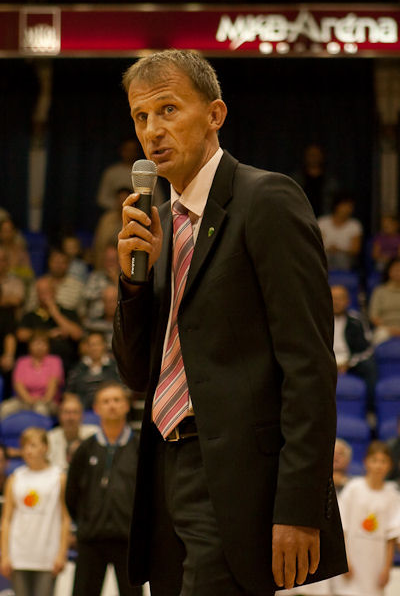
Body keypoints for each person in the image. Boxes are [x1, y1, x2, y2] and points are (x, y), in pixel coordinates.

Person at [113, 50, 347, 596]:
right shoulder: (158, 224)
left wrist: (299, 507)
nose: (153, 130)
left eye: (168, 109)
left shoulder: (267, 199)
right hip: (163, 471)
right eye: (141, 117)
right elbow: (135, 373)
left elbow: (309, 366)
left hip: (238, 483)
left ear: (215, 114)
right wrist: (131, 284)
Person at [66, 381, 141, 596]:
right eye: (106, 401)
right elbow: (71, 494)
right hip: (91, 540)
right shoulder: (85, 449)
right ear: (96, 408)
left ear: (126, 405)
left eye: (117, 400)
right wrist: (85, 522)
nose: (112, 405)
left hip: (129, 541)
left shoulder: (139, 447)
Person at [0, 427, 70, 596]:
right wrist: (5, 555)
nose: (27, 451)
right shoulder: (15, 478)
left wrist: (62, 553)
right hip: (19, 555)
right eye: (24, 446)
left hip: (47, 556)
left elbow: (65, 518)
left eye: (32, 445)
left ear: (45, 448)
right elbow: (7, 519)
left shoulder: (58, 478)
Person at [334, 441, 400, 596]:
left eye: (383, 461)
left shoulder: (393, 495)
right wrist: (344, 561)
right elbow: (342, 528)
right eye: (374, 460)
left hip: (375, 566)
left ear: (390, 465)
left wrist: (386, 568)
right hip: (352, 562)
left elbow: (391, 536)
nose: (378, 466)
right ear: (366, 462)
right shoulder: (353, 488)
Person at [17, 276, 83, 373]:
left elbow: (77, 334)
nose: (44, 296)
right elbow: (21, 334)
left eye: (47, 292)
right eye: (41, 292)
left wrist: (55, 313)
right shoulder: (30, 315)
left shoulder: (68, 312)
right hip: (36, 366)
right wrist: (48, 334)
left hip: (67, 364)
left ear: (55, 291)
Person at [331, 284, 377, 411]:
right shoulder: (318, 320)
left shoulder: (357, 320)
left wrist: (348, 363)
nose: (336, 302)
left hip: (351, 362)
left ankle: (370, 411)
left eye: (339, 298)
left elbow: (367, 349)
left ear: (347, 301)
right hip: (326, 362)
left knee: (369, 366)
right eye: (333, 298)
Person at [1, 331, 64, 419]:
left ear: (48, 346)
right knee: (4, 408)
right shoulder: (22, 362)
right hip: (24, 400)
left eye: (42, 343)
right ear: (29, 346)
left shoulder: (55, 361)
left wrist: (44, 400)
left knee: (40, 409)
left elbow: (53, 385)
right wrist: (30, 400)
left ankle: (39, 428)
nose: (39, 346)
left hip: (48, 402)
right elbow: (18, 384)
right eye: (36, 343)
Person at [66, 331, 121, 410]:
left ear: (104, 345)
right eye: (91, 345)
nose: (94, 348)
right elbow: (69, 393)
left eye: (98, 344)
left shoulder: (115, 366)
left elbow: (124, 390)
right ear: (86, 347)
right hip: (84, 411)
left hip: (111, 408)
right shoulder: (77, 369)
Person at [25, 248, 84, 316]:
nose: (59, 265)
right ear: (49, 263)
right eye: (56, 262)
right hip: (40, 320)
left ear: (68, 264)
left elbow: (81, 314)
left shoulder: (77, 286)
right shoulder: (39, 283)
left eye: (62, 262)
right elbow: (29, 309)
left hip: (68, 320)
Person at [47, 393, 98, 471]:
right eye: (66, 412)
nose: (71, 417)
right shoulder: (50, 438)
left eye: (75, 412)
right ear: (59, 415)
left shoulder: (94, 434)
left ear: (82, 416)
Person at [291, 144, 340, 218]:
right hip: (301, 217)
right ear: (305, 157)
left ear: (322, 157)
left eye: (316, 155)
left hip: (324, 218)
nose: (314, 158)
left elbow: (336, 201)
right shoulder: (296, 179)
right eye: (311, 155)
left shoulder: (330, 180)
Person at [318, 195, 363, 271]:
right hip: (325, 254)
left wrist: (339, 250)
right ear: (337, 206)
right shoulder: (322, 222)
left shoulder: (355, 225)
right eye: (345, 206)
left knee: (340, 257)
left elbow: (355, 250)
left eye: (350, 207)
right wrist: (329, 249)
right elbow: (317, 244)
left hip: (346, 258)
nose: (348, 209)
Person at [96, 138, 142, 211]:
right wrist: (120, 205)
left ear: (137, 152)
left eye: (133, 150)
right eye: (127, 150)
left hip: (140, 212)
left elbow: (158, 199)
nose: (130, 153)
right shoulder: (111, 172)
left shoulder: (144, 172)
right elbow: (102, 198)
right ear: (121, 151)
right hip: (114, 213)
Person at [93, 187, 130, 270]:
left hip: (127, 265)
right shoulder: (107, 219)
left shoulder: (136, 219)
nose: (122, 203)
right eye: (120, 199)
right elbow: (99, 245)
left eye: (125, 199)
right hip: (104, 265)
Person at [369, 257, 400, 345]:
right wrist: (390, 329)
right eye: (396, 270)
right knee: (380, 335)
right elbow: (373, 316)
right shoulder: (379, 291)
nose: (398, 272)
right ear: (389, 271)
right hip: (385, 328)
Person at [84, 284, 118, 352]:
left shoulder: (126, 324)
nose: (110, 305)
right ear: (103, 302)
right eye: (107, 301)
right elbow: (83, 346)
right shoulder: (93, 323)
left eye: (113, 301)